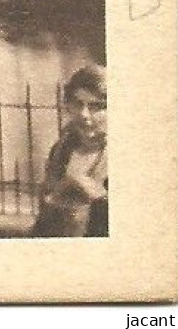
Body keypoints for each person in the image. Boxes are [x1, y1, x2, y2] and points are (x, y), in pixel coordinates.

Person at [32, 64, 108, 237]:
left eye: (96, 107)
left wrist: (97, 195)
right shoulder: (62, 149)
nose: (84, 114)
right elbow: (44, 218)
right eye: (77, 104)